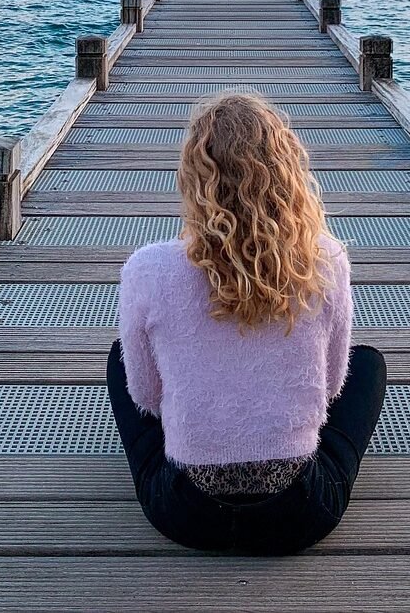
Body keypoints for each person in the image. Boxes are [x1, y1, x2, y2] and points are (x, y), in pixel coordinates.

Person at [106, 92, 387, 554]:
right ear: (288, 175)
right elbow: (333, 386)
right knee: (369, 365)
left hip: (184, 514)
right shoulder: (327, 260)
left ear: (194, 179)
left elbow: (146, 398)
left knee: (121, 358)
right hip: (300, 514)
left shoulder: (148, 269)